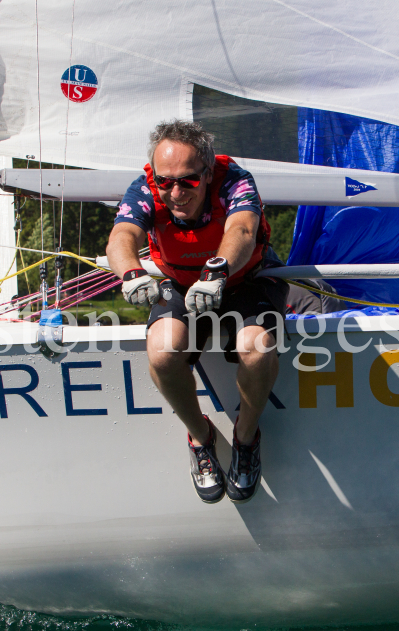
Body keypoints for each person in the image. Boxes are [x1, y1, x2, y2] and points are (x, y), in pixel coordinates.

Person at [106, 119, 288, 504]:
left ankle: (245, 438)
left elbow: (241, 230)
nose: (174, 192)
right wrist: (131, 272)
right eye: (164, 181)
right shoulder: (145, 189)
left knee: (257, 349)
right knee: (162, 351)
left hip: (244, 277)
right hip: (181, 282)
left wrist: (219, 269)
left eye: (187, 181)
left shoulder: (235, 181)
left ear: (207, 173)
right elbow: (122, 236)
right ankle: (201, 438)